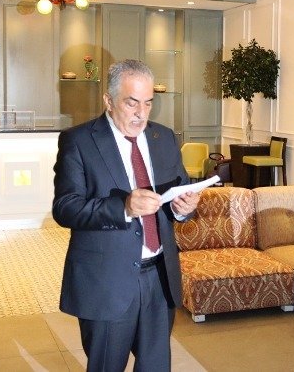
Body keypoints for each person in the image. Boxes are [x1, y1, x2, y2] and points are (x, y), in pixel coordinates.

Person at [52, 59, 199, 371]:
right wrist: (123, 208)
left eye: (148, 103)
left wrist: (182, 208)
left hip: (159, 276)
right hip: (107, 281)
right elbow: (65, 208)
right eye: (132, 103)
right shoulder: (79, 141)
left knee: (155, 366)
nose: (141, 114)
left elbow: (179, 191)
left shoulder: (164, 138)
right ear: (109, 100)